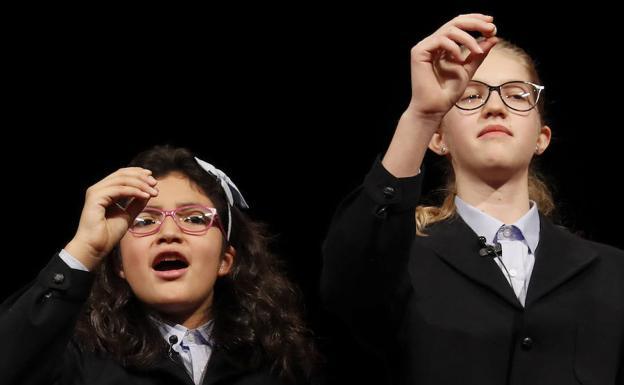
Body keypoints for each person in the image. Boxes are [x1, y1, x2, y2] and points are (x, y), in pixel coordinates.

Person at [321, 13, 623, 384]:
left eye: (516, 94)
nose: (495, 107)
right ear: (438, 138)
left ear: (541, 137)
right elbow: (344, 279)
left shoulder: (612, 272)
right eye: (470, 96)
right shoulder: (403, 263)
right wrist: (422, 114)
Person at [1, 145, 318, 385]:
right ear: (120, 265)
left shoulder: (284, 363)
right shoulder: (74, 359)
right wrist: (84, 249)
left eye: (194, 218)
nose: (168, 233)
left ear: (225, 260)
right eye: (144, 220)